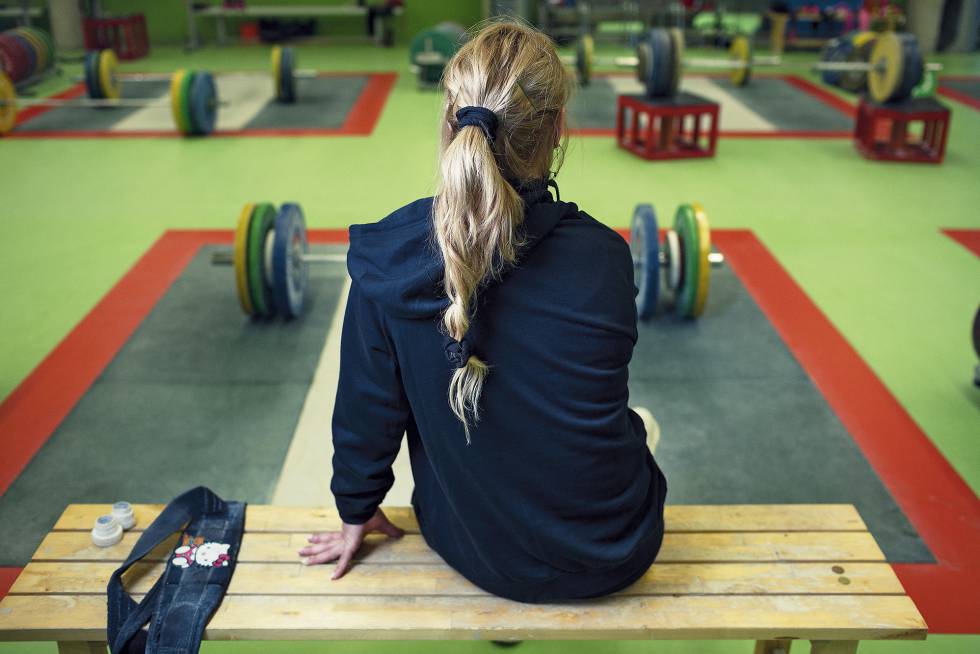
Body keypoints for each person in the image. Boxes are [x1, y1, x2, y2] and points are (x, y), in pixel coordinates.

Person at [297, 20, 667, 603]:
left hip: (478, 552)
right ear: (557, 132)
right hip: (615, 549)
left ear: (450, 122)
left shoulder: (388, 258)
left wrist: (356, 510)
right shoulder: (604, 257)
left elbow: (369, 409)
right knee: (638, 427)